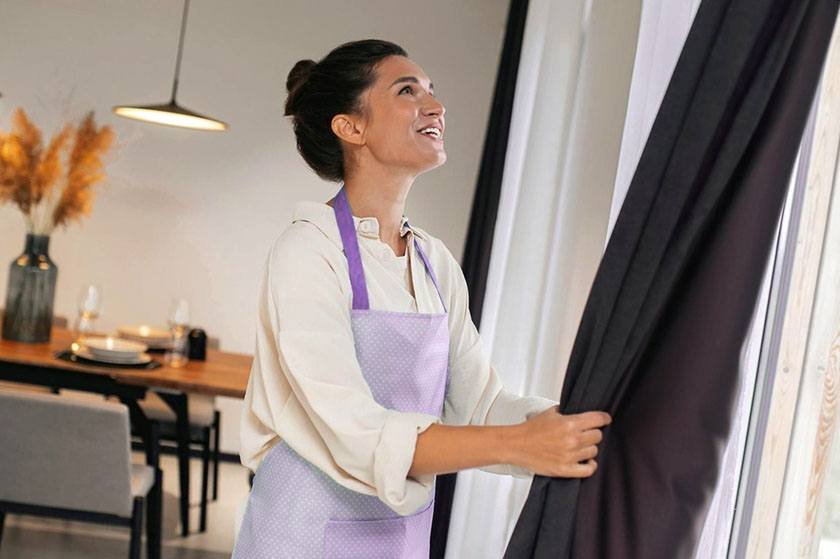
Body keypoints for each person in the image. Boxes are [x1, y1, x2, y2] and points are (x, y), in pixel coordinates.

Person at [232, 39, 612, 559]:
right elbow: (356, 430)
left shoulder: (434, 264)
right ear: (351, 127)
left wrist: (569, 426)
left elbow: (481, 407)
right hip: (302, 532)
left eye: (433, 92)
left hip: (399, 536)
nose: (435, 106)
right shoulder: (308, 252)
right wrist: (522, 444)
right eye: (408, 90)